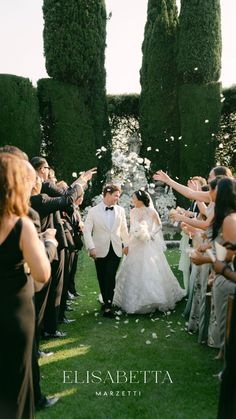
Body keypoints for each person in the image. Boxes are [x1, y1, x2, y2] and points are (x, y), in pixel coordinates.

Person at [0, 153, 51, 418]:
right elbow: (42, 274)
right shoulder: (20, 224)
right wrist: (50, 243)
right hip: (14, 314)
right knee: (16, 389)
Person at [113, 190, 186, 314]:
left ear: (140, 199)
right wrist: (130, 240)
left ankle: (155, 298)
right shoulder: (133, 211)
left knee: (151, 269)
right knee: (132, 269)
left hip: (149, 244)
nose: (132, 200)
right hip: (135, 243)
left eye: (133, 198)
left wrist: (150, 234)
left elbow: (159, 226)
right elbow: (132, 228)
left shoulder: (152, 211)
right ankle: (130, 299)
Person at [83, 184, 129, 318]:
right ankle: (105, 299)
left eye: (118, 196)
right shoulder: (93, 211)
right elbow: (86, 230)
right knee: (101, 277)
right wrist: (91, 247)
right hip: (99, 249)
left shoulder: (120, 210)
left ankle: (108, 307)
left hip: (115, 249)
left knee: (110, 276)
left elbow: (124, 229)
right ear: (107, 194)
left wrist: (126, 245)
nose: (117, 198)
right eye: (116, 195)